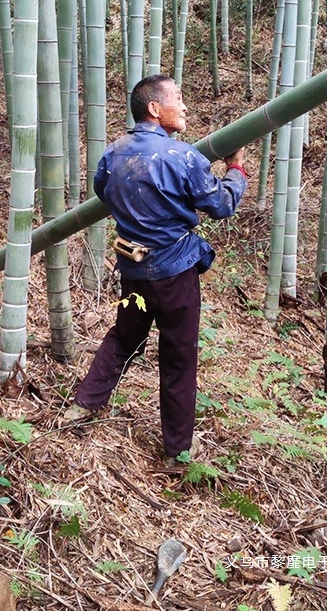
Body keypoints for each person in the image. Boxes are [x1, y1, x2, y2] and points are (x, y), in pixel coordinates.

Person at [65, 74, 247, 463]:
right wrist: (236, 169)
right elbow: (221, 205)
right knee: (179, 357)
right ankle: (177, 451)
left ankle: (82, 406)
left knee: (124, 337)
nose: (184, 106)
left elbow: (103, 191)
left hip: (133, 271)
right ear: (154, 108)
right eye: (177, 98)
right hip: (175, 275)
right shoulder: (183, 157)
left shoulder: (113, 153)